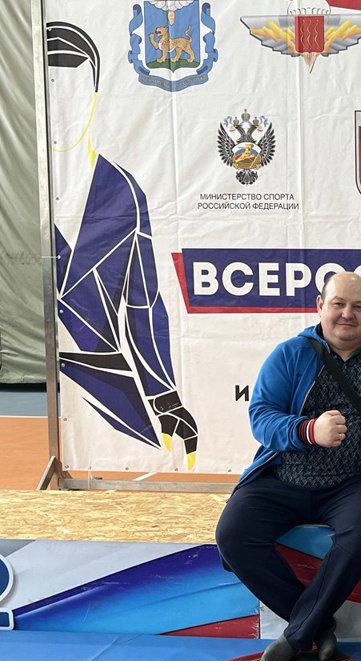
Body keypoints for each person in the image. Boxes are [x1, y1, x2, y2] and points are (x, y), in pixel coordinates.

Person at [216, 272, 361, 661]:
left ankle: (297, 634)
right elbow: (261, 416)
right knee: (233, 536)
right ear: (320, 307)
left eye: (358, 307)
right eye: (338, 304)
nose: (347, 314)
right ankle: (316, 624)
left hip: (354, 482)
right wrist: (308, 430)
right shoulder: (290, 354)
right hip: (283, 476)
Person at [46, 21, 198, 467]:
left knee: (141, 457)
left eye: (74, 95)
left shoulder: (123, 191)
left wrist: (164, 395)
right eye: (54, 98)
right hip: (57, 373)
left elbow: (143, 304)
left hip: (108, 378)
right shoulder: (24, 190)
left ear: (93, 98)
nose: (64, 114)